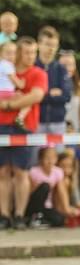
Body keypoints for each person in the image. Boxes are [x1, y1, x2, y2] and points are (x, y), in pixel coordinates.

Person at [0, 36, 47, 230]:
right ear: (18, 52)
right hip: (2, 125)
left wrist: (7, 105)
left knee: (21, 172)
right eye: (26, 52)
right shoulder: (5, 70)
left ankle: (19, 214)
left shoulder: (38, 73)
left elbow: (36, 96)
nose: (30, 56)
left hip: (24, 127)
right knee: (2, 172)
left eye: (33, 52)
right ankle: (4, 215)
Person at [34, 26, 72, 144]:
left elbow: (66, 96)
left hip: (58, 122)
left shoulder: (61, 69)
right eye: (47, 44)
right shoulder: (32, 67)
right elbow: (30, 97)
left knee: (57, 159)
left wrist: (41, 95)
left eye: (54, 45)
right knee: (34, 160)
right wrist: (51, 93)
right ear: (39, 44)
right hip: (36, 121)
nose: (50, 48)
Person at [26, 147, 66, 227]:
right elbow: (30, 192)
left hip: (46, 206)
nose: (50, 160)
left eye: (53, 157)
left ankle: (41, 220)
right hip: (33, 204)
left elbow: (62, 192)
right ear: (40, 159)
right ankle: (35, 217)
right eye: (47, 157)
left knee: (60, 219)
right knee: (45, 186)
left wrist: (66, 208)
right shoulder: (33, 171)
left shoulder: (58, 171)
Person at [0, 42, 30, 128]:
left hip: (3, 93)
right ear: (1, 54)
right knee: (27, 101)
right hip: (6, 93)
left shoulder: (2, 64)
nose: (11, 56)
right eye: (8, 53)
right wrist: (21, 84)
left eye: (13, 53)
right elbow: (13, 79)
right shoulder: (7, 65)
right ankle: (20, 117)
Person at [55, 151, 80, 225]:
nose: (66, 170)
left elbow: (77, 199)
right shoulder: (57, 180)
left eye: (69, 166)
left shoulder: (72, 181)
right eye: (63, 166)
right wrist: (69, 209)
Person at [58, 50, 80, 134]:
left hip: (75, 134)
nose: (67, 68)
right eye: (64, 65)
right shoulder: (52, 86)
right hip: (56, 134)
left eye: (71, 64)